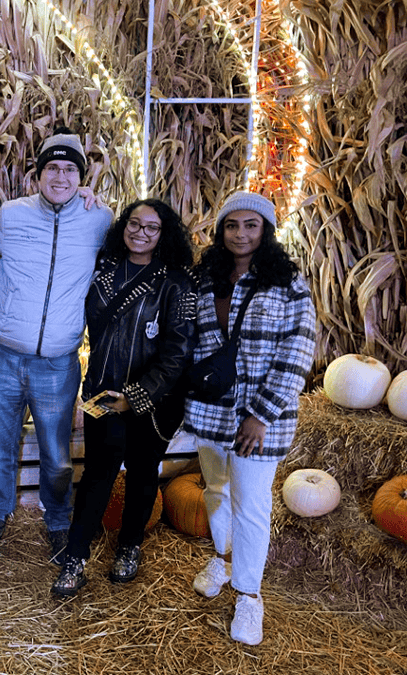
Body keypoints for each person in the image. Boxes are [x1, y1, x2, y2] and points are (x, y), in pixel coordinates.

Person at [0, 128, 114, 565]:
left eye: (70, 169)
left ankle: (57, 521)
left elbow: (141, 245)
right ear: (37, 175)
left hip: (57, 363)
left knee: (56, 456)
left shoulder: (100, 219)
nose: (60, 176)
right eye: (51, 167)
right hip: (2, 356)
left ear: (81, 177)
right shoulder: (10, 216)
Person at [182, 191, 316, 645]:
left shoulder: (287, 281)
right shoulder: (205, 278)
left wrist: (260, 415)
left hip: (261, 417)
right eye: (232, 225)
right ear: (221, 231)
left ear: (266, 230)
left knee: (252, 505)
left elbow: (297, 351)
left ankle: (249, 596)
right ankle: (222, 557)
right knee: (216, 491)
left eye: (251, 225)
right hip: (209, 411)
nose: (241, 233)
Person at [50, 198, 196, 596]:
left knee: (143, 474)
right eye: (135, 224)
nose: (141, 233)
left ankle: (129, 547)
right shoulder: (102, 270)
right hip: (102, 391)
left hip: (153, 402)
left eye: (152, 227)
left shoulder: (176, 283)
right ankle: (75, 558)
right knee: (97, 475)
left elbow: (178, 352)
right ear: (123, 226)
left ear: (164, 234)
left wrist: (137, 395)